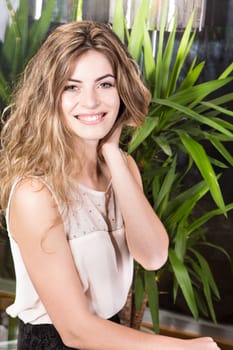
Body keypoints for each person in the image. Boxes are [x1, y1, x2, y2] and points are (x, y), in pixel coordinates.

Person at [0, 20, 220, 350]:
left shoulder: (122, 166)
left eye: (104, 84)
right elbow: (75, 330)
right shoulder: (36, 193)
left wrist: (113, 155)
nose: (90, 102)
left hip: (110, 334)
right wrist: (185, 347)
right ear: (49, 97)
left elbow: (154, 256)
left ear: (122, 90)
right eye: (71, 87)